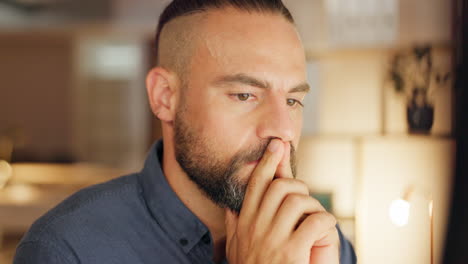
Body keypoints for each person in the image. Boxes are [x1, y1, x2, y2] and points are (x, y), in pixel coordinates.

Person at [14, 0, 357, 263]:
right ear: (165, 97)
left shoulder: (321, 239)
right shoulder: (66, 249)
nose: (282, 130)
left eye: (294, 101)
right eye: (244, 95)